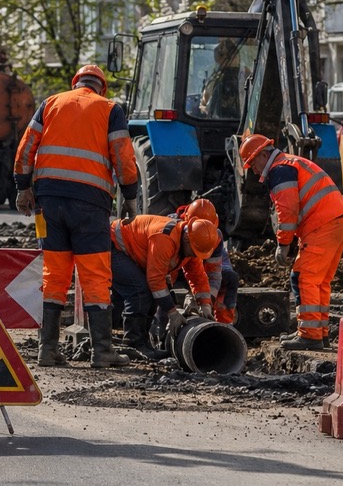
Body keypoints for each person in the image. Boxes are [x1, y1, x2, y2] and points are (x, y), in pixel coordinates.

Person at [14, 64, 140, 368]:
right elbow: (123, 156)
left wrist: (23, 188)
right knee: (95, 274)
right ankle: (102, 351)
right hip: (91, 204)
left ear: (76, 83)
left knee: (53, 274)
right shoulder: (110, 109)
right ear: (101, 87)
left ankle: (48, 349)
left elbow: (26, 147)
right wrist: (131, 197)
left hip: (48, 204)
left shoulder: (51, 103)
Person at [239, 134, 343, 350]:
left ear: (264, 154)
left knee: (303, 277)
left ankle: (309, 335)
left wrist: (283, 245)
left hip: (323, 224)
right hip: (338, 221)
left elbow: (287, 210)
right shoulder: (292, 163)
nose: (253, 169)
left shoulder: (280, 170)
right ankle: (319, 333)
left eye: (253, 162)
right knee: (319, 281)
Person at [108, 214, 220, 360]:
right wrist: (172, 313)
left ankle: (136, 341)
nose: (194, 255)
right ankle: (133, 343)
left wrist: (205, 305)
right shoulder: (164, 237)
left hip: (131, 251)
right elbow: (155, 280)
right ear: (187, 238)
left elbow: (198, 277)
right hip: (114, 245)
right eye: (194, 251)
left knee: (146, 295)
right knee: (139, 292)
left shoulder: (190, 245)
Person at [173, 198, 239, 325]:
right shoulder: (172, 229)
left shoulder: (216, 237)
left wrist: (206, 303)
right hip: (177, 269)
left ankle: (224, 325)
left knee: (230, 278)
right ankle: (158, 328)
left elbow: (214, 275)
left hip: (200, 273)